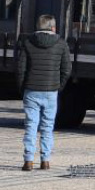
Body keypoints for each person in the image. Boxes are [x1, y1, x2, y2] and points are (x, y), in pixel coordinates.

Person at [15, 13, 71, 171]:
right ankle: (45, 160)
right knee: (47, 126)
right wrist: (58, 86)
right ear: (53, 27)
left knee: (31, 125)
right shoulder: (61, 44)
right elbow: (67, 69)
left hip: (31, 90)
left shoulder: (28, 43)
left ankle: (28, 161)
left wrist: (22, 87)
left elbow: (21, 69)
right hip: (51, 91)